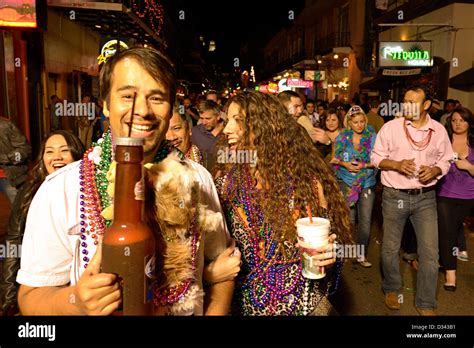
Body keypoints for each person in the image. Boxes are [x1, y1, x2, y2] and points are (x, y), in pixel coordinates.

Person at [16, 47, 234, 316]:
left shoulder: (198, 179)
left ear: (170, 109)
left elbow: (223, 267)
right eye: (128, 96)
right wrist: (75, 300)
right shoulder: (61, 190)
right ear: (106, 104)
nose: (142, 110)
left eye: (156, 98)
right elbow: (31, 297)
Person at [215, 90, 352, 315]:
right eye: (227, 120)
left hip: (305, 305)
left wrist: (330, 256)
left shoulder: (306, 184)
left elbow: (331, 251)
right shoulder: (225, 187)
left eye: (237, 120)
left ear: (265, 127)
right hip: (247, 307)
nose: (227, 129)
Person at [371, 85, 453, 316]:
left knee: (429, 252)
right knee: (390, 247)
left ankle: (426, 302)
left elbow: (447, 159)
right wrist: (395, 164)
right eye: (405, 101)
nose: (406, 106)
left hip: (425, 198)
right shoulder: (390, 128)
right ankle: (391, 288)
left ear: (426, 105)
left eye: (413, 102)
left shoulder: (438, 131)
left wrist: (436, 169)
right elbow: (376, 157)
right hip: (394, 195)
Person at [0, 130, 84, 315]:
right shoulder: (28, 193)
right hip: (36, 287)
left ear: (77, 155)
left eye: (64, 150)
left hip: (72, 285)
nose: (56, 157)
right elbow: (14, 242)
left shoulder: (86, 193)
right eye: (49, 151)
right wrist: (8, 297)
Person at [333, 106, 377, 268]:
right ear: (349, 123)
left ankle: (361, 254)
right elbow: (335, 158)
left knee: (365, 220)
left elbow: (379, 160)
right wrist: (345, 164)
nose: (359, 125)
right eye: (355, 122)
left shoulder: (372, 137)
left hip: (367, 183)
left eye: (361, 121)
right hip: (346, 182)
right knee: (348, 220)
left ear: (365, 121)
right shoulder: (342, 136)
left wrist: (364, 165)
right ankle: (345, 251)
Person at [437, 107, 474, 291]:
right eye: (454, 120)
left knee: (455, 228)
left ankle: (442, 258)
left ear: (469, 123)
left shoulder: (473, 143)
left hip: (468, 195)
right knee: (447, 232)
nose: (458, 124)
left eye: (462, 120)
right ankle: (451, 275)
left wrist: (468, 166)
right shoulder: (444, 141)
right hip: (445, 193)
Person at [0, 117, 31, 205]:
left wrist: (7, 158)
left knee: (19, 211)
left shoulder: (5, 126)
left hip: (9, 177)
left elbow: (25, 150)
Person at [191, 100, 225, 170]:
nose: (204, 122)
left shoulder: (229, 131)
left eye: (208, 118)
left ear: (218, 116)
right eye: (201, 118)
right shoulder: (195, 132)